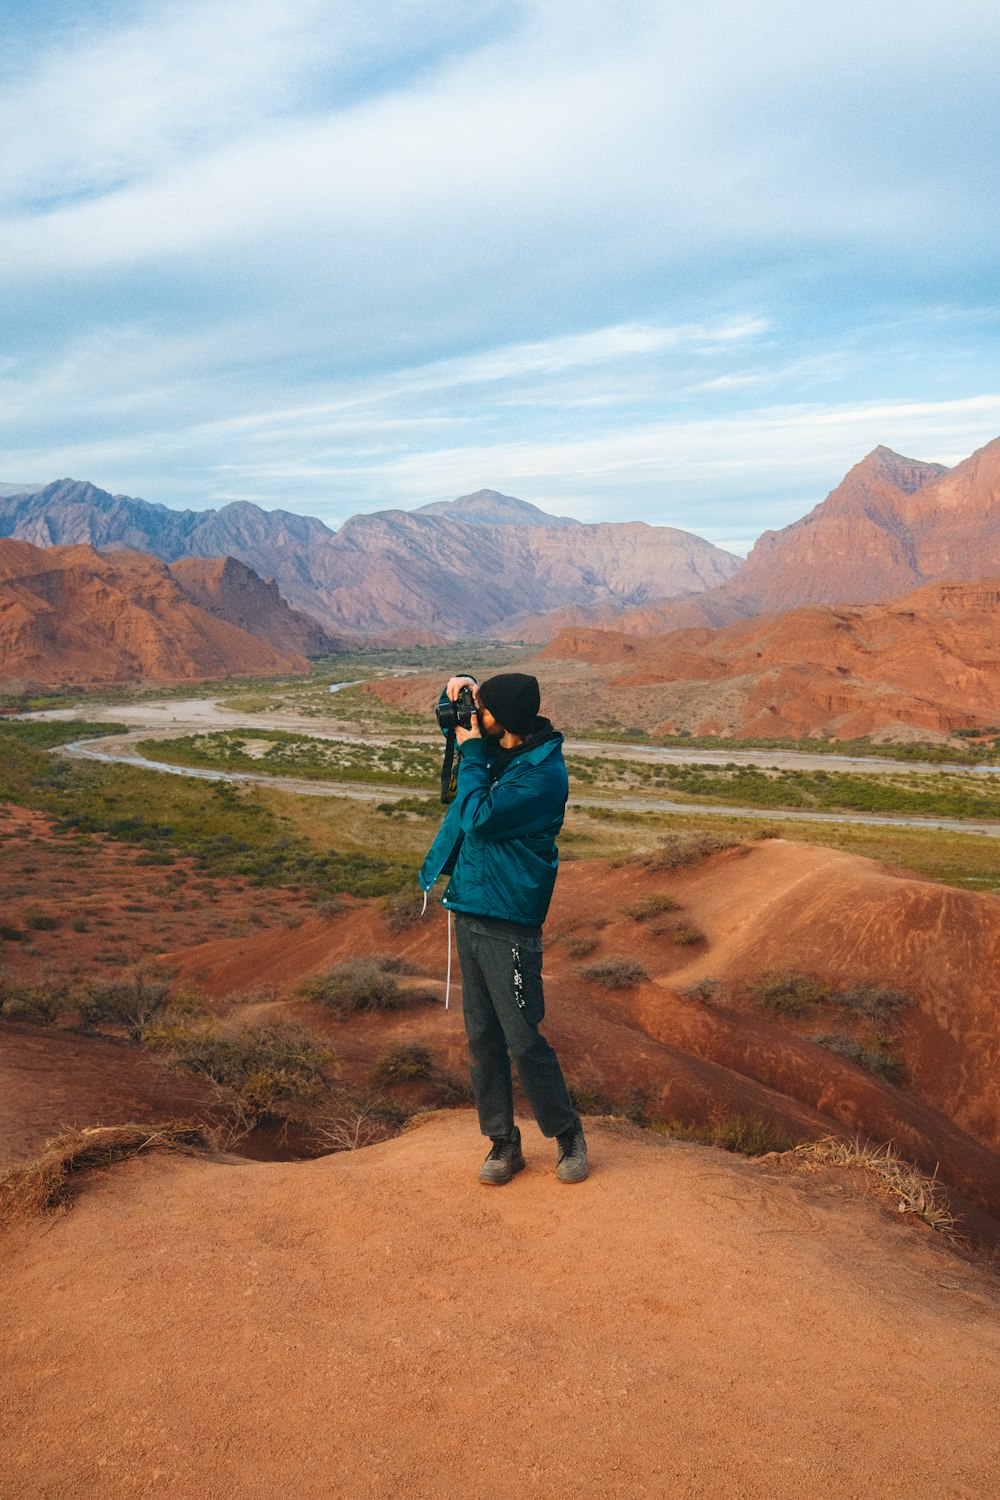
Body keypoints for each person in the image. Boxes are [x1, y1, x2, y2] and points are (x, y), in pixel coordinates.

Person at [419, 671, 588, 1185]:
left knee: (521, 1037)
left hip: (510, 919)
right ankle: (502, 1143)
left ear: (505, 721)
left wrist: (471, 752)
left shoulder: (542, 777)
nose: (477, 717)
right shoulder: (505, 747)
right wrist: (462, 688)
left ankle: (565, 1133)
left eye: (483, 709)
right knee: (482, 1038)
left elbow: (477, 816)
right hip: (471, 907)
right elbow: (464, 733)